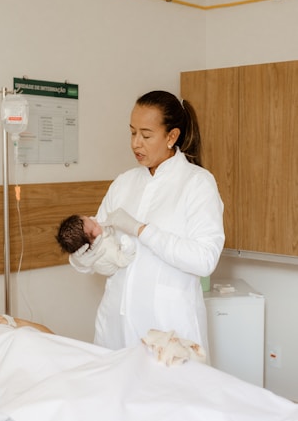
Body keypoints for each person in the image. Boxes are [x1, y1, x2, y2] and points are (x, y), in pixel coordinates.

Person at [70, 90, 225, 355]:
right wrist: (87, 245)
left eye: (146, 134)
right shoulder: (124, 183)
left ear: (171, 136)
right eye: (132, 132)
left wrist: (141, 230)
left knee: (169, 395)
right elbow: (102, 261)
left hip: (168, 329)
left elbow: (204, 259)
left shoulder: (197, 183)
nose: (135, 144)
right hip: (115, 326)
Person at [56, 214, 136, 276]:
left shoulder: (93, 231)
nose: (96, 220)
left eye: (90, 219)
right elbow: (122, 261)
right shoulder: (105, 250)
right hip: (115, 268)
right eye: (94, 225)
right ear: (91, 242)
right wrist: (128, 249)